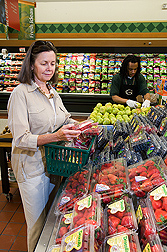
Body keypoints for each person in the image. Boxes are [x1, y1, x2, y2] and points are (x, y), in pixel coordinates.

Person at [7, 40, 81, 252]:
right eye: (44, 63)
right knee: (37, 226)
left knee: (51, 220)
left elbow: (65, 119)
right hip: (32, 170)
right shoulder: (20, 94)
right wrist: (55, 136)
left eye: (53, 63)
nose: (49, 68)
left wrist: (85, 126)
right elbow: (21, 138)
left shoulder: (52, 91)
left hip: (53, 166)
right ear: (31, 65)